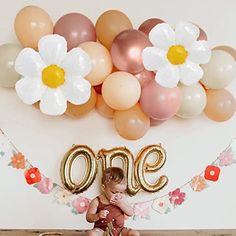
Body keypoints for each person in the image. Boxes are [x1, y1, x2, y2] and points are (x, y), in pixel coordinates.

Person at [86, 167, 140, 236]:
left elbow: (131, 213)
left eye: (121, 192)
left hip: (120, 230)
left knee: (135, 233)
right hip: (102, 231)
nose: (118, 195)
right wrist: (98, 215)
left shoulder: (122, 200)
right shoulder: (96, 201)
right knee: (91, 233)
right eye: (114, 192)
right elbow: (89, 218)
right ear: (103, 188)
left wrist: (121, 204)